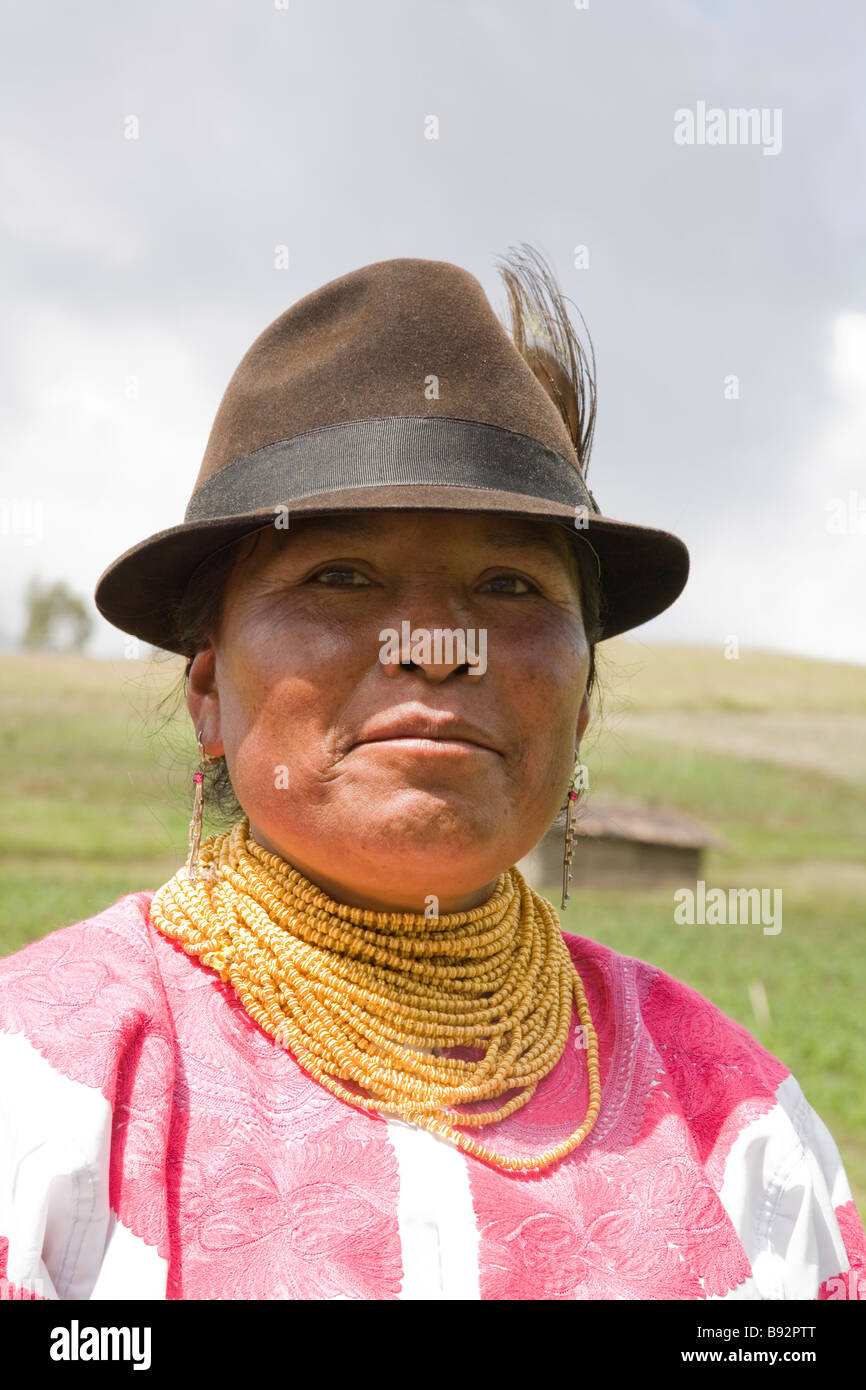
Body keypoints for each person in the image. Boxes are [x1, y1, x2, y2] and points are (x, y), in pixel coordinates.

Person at [1, 247, 863, 1301]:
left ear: (583, 698)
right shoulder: (47, 1088)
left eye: (507, 584)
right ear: (208, 690)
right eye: (340, 577)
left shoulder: (736, 1127)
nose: (437, 643)